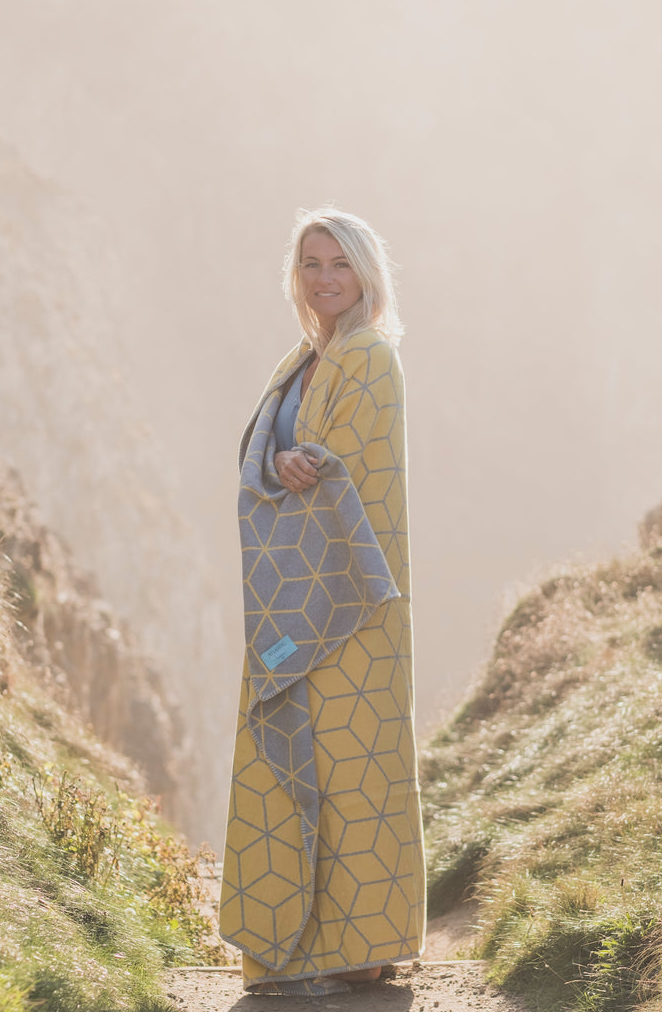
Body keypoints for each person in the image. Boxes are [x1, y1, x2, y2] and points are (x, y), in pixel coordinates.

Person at [219, 209, 426, 995]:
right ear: (296, 275)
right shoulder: (305, 357)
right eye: (311, 263)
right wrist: (277, 459)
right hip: (291, 601)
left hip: (351, 609)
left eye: (340, 262)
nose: (325, 276)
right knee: (299, 765)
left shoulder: (370, 357)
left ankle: (351, 955)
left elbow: (358, 472)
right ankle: (291, 952)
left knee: (349, 774)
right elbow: (266, 453)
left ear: (367, 273)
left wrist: (305, 464)